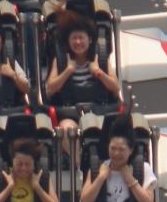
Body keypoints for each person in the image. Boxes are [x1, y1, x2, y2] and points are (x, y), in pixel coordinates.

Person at [78, 121, 157, 202]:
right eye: (113, 148)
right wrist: (101, 178)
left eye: (121, 150)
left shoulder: (144, 169)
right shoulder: (97, 169)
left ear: (130, 150)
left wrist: (130, 180)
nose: (116, 153)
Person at [45, 10, 121, 148]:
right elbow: (49, 89)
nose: (78, 42)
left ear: (90, 40)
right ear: (68, 41)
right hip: (71, 113)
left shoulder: (101, 60)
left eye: (81, 38)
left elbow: (116, 88)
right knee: (67, 129)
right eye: (74, 38)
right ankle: (77, 165)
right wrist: (68, 71)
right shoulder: (61, 61)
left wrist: (99, 73)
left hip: (99, 110)